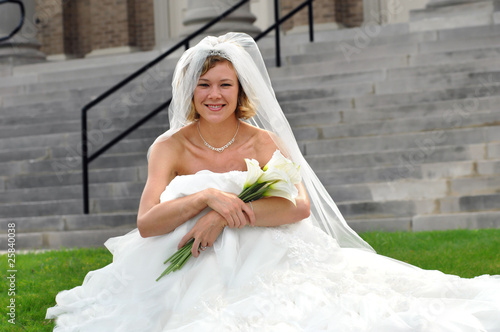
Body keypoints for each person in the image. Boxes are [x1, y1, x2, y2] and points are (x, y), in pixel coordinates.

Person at [47, 33, 500, 331]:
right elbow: (147, 224)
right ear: (190, 92)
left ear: (241, 91)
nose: (214, 96)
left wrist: (225, 220)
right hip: (188, 258)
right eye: (204, 85)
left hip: (269, 249)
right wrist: (210, 199)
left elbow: (298, 206)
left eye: (225, 85)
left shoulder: (262, 140)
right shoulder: (170, 147)